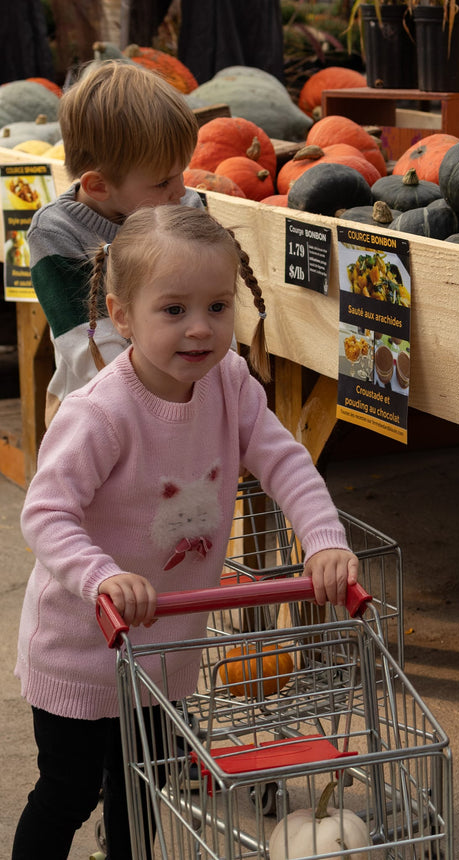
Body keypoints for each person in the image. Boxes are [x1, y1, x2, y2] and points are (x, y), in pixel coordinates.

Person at [13, 204, 360, 860]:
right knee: (68, 787)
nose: (200, 329)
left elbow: (284, 460)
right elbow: (46, 513)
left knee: (143, 785)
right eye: (173, 310)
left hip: (164, 650)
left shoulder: (230, 383)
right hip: (81, 650)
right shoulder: (101, 412)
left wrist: (325, 541)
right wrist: (103, 577)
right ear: (122, 316)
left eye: (218, 307)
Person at [27, 59, 204, 426]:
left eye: (181, 172)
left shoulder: (185, 206)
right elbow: (89, 347)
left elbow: (211, 306)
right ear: (98, 186)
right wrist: (152, 411)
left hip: (186, 400)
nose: (183, 190)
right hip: (97, 416)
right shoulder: (56, 233)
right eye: (162, 182)